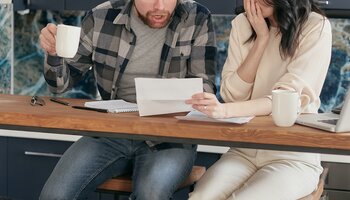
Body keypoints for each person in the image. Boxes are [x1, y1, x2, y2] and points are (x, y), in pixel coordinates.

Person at [38, 0, 216, 199]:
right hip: (111, 132)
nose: (160, 6)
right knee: (54, 195)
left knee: (150, 195)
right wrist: (54, 55)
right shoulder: (101, 17)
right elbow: (60, 84)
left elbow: (205, 87)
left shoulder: (196, 17)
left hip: (171, 137)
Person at [186, 0, 331, 199]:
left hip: (293, 155)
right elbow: (232, 94)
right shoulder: (243, 24)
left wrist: (225, 110)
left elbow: (286, 98)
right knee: (199, 197)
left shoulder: (315, 25)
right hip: (244, 150)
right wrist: (261, 39)